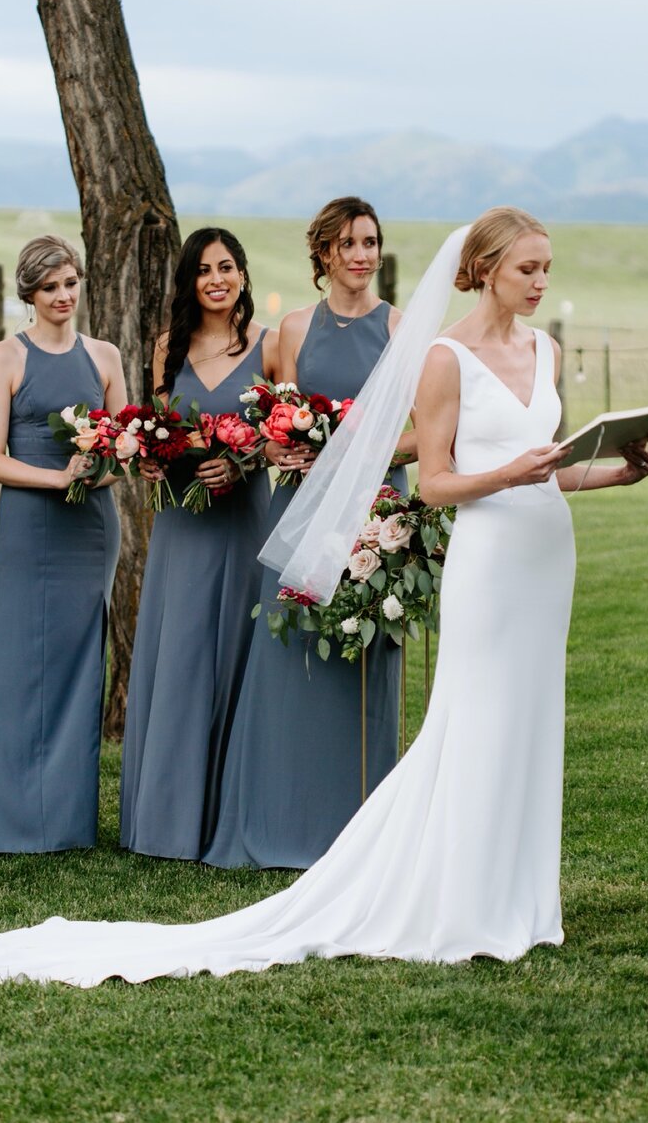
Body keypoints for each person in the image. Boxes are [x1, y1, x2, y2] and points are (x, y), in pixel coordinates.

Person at [0, 206, 648, 984]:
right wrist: (298, 449)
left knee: (504, 712)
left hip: (483, 537)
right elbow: (288, 430)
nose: (543, 282)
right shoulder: (362, 343)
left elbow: (506, 453)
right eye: (529, 268)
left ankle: (499, 882)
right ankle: (325, 836)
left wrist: (614, 469)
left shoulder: (517, 346)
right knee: (358, 685)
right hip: (347, 519)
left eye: (371, 242)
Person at [202, 197, 414, 870]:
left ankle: (360, 829)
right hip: (300, 510)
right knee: (290, 660)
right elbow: (276, 423)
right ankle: (282, 816)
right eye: (348, 243)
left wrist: (362, 453)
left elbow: (421, 434)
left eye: (371, 242)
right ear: (322, 254)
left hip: (377, 512)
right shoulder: (291, 329)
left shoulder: (403, 330)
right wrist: (278, 450)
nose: (362, 255)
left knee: (365, 667)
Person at [0, 236, 126, 854]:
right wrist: (58, 476)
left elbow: (126, 448)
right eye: (50, 288)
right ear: (29, 296)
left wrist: (99, 468)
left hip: (92, 526)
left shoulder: (106, 356)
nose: (63, 296)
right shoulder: (7, 359)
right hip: (30, 525)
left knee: (77, 663)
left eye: (70, 283)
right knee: (17, 660)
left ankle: (63, 820)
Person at [119, 228, 277, 860]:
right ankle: (168, 819)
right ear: (189, 281)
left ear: (242, 274)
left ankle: (232, 815)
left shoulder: (270, 346)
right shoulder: (168, 346)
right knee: (181, 655)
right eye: (204, 269)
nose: (217, 278)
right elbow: (158, 427)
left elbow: (281, 433)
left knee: (240, 651)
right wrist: (152, 462)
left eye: (228, 267)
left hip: (244, 518)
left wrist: (243, 464)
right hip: (183, 524)